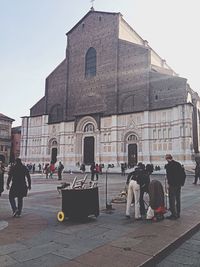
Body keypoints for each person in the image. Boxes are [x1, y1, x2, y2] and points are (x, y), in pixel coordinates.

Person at [165, 154, 186, 220]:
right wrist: (182, 183)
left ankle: (173, 214)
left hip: (172, 185)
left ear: (167, 159)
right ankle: (178, 213)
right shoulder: (178, 164)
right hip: (178, 184)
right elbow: (183, 174)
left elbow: (169, 177)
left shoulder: (168, 166)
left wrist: (168, 185)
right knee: (178, 199)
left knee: (172, 200)